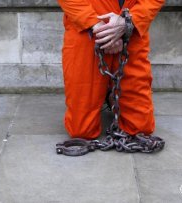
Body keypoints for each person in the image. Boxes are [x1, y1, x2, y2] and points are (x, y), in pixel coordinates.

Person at [57, 0, 165, 140]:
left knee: (140, 128)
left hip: (131, 25)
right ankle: (107, 93)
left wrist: (128, 22)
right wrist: (96, 26)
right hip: (86, 30)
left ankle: (110, 94)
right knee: (81, 130)